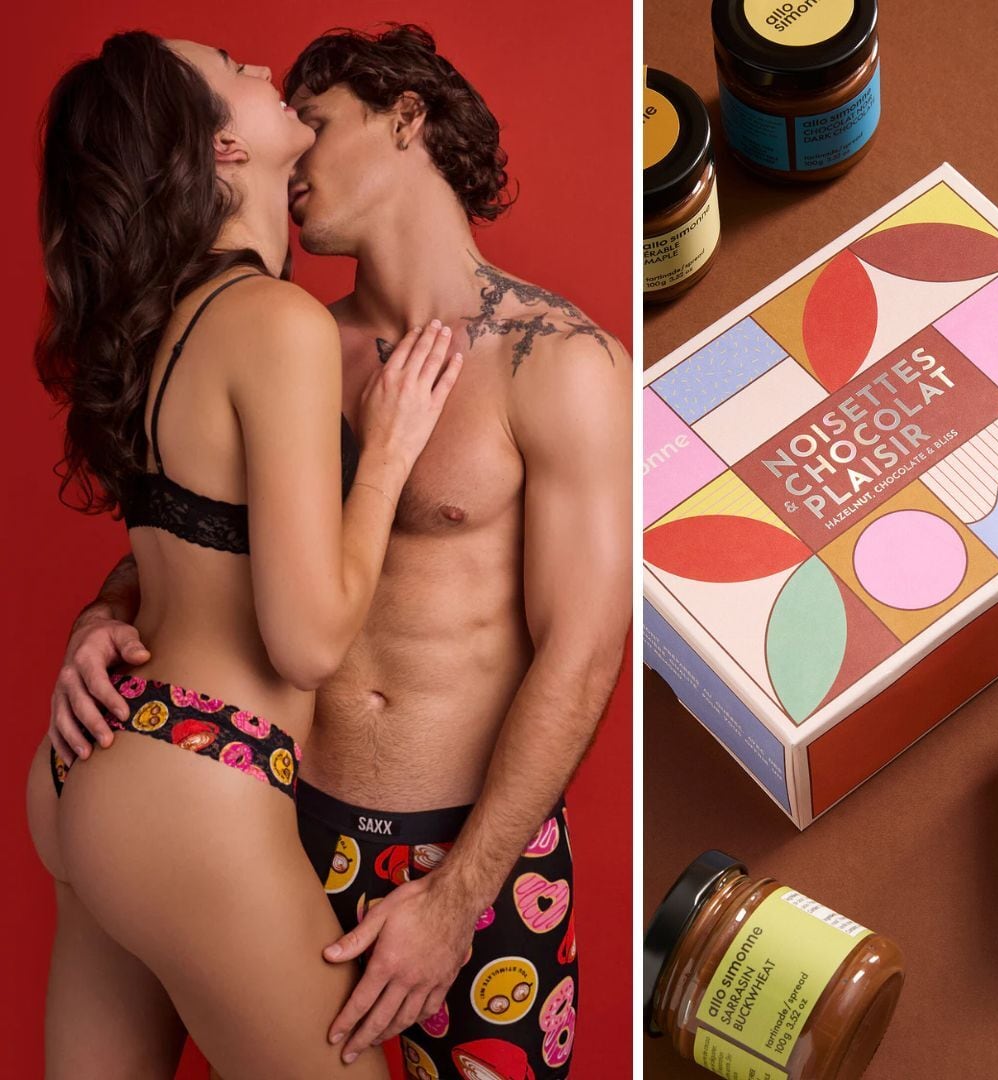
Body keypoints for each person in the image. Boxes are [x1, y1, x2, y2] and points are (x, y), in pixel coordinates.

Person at [49, 25, 632, 1078]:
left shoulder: (560, 364)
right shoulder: (288, 338)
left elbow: (584, 651)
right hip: (275, 824)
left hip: (468, 860)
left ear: (406, 120)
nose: (299, 158)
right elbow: (202, 541)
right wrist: (105, 616)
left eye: (317, 123)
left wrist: (459, 897)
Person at [26, 32, 461, 1077]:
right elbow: (307, 640)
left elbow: (186, 549)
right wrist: (388, 455)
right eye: (235, 67)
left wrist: (95, 618)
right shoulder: (276, 322)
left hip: (84, 773)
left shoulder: (153, 329)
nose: (268, 73)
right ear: (220, 149)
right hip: (199, 789)